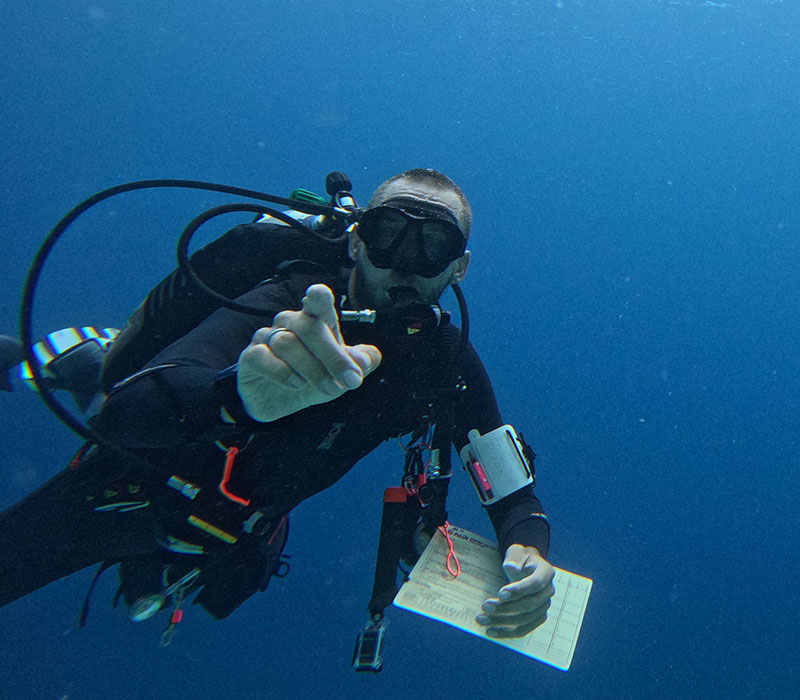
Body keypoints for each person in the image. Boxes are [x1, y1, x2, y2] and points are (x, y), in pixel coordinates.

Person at [0, 169, 554, 647]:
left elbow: (510, 491)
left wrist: (529, 555)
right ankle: (73, 358)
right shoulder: (289, 299)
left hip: (227, 533)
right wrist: (238, 397)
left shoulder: (444, 359)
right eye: (389, 234)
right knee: (95, 389)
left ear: (458, 267)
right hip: (121, 495)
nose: (405, 265)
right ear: (358, 241)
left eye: (433, 245)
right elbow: (122, 415)